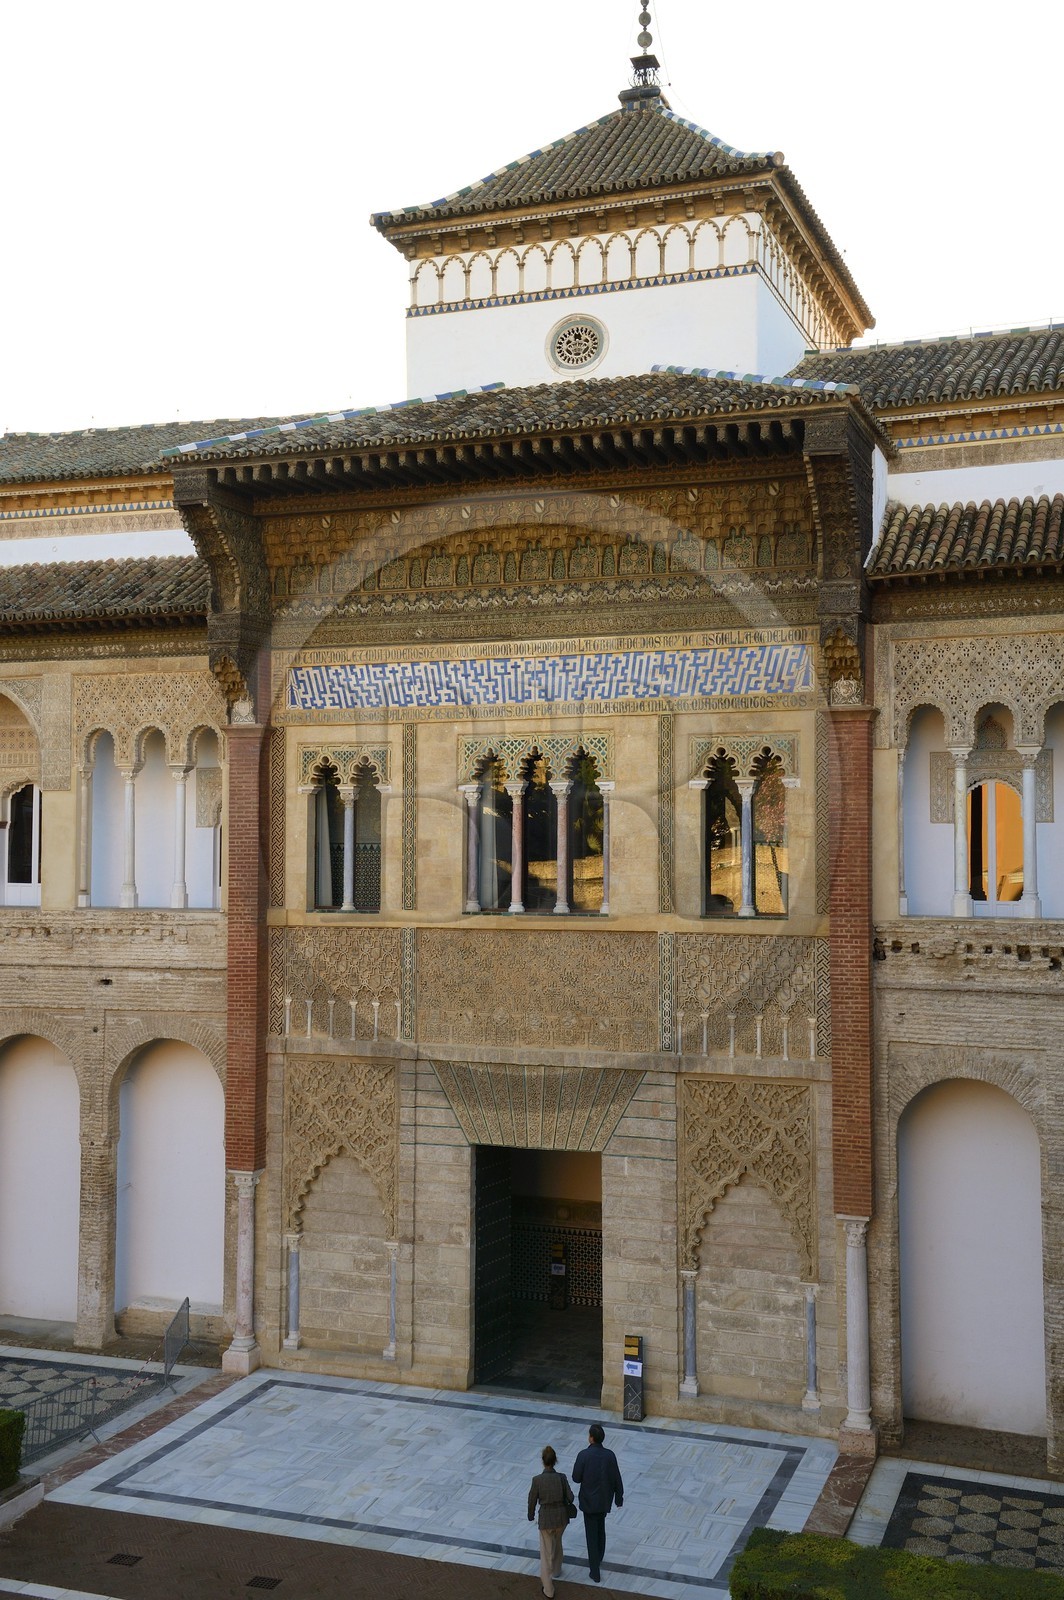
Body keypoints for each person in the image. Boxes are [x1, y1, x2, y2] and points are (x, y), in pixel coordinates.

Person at [571, 1423, 623, 1584]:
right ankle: (598, 1558)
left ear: (591, 1438)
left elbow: (576, 1477)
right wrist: (618, 1498)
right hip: (604, 1501)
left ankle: (595, 1571)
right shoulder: (610, 1455)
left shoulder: (583, 1455)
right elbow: (617, 1478)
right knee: (601, 1529)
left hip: (589, 1501)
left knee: (591, 1535)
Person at [527, 1444, 575, 1599]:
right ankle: (557, 1570)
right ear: (555, 1461)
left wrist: (531, 1514)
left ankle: (548, 1589)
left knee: (546, 1552)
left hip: (546, 1519)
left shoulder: (537, 1480)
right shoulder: (561, 1478)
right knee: (557, 1542)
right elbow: (571, 1497)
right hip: (561, 1518)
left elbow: (532, 1500)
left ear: (543, 1461)